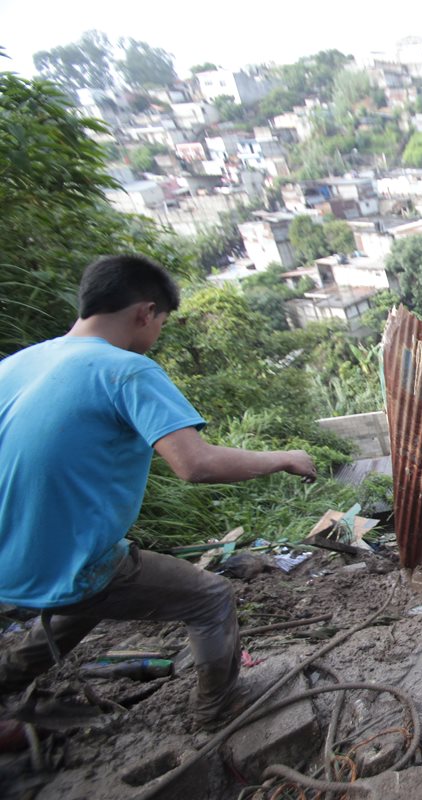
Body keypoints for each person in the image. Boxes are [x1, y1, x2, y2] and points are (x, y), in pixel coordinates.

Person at [0, 255, 317, 729]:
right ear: (145, 312)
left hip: (10, 563)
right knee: (209, 598)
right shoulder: (125, 370)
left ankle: (7, 681)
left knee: (77, 600)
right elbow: (195, 464)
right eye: (162, 323)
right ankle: (217, 709)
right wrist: (284, 457)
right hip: (73, 561)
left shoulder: (16, 365)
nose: (157, 335)